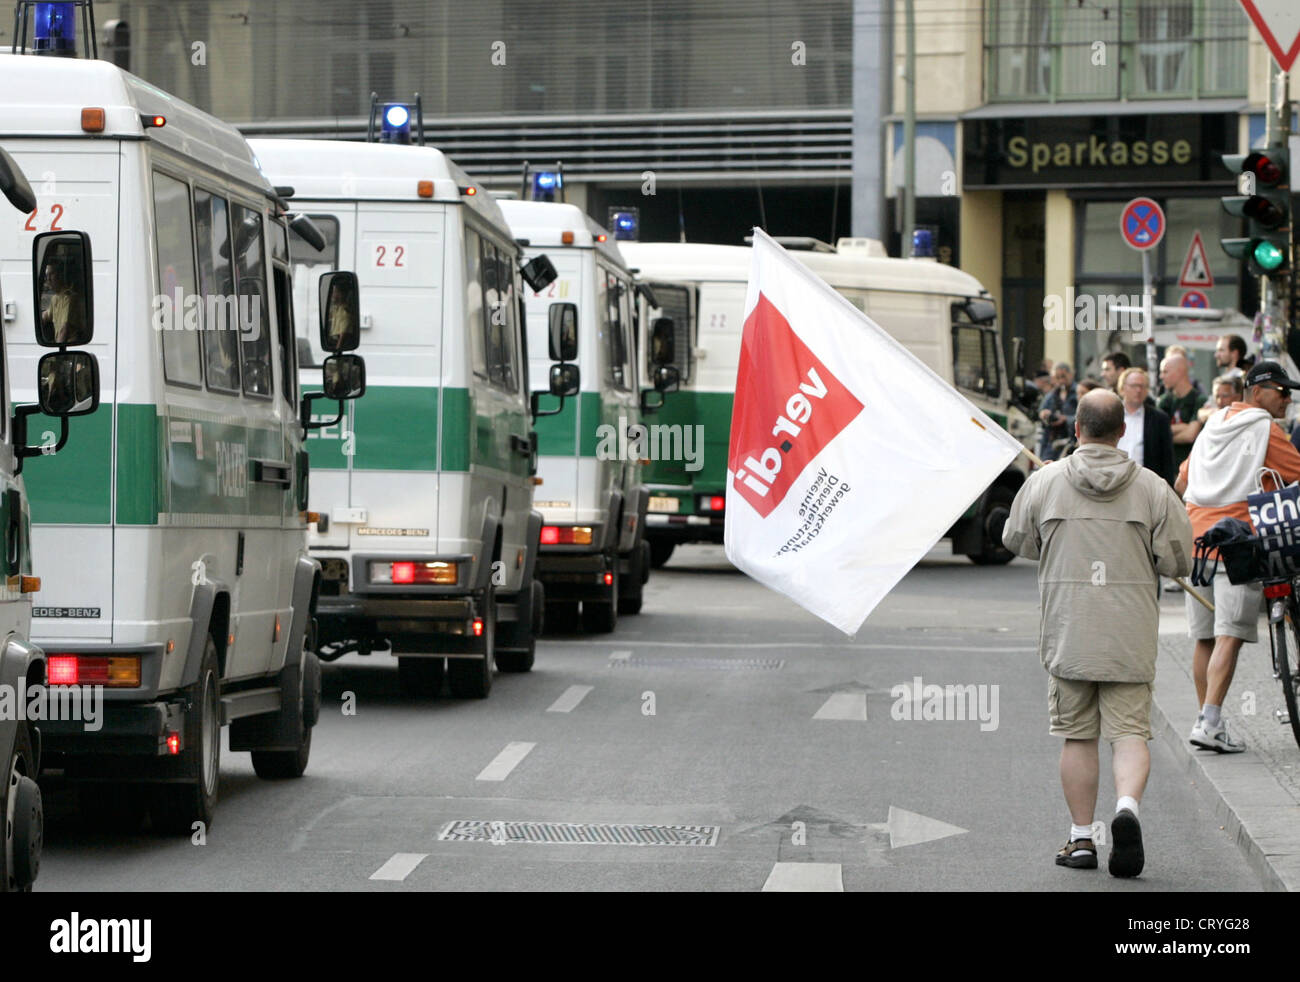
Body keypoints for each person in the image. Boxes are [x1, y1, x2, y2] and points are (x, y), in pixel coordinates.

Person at [1004, 389, 1193, 878]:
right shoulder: (1152, 489)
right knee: (1130, 733)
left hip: (1070, 633)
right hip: (1129, 634)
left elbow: (1016, 541)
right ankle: (1126, 807)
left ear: (1076, 428)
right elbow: (1178, 560)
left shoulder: (1046, 482)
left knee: (1077, 736)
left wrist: (1047, 495)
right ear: (1121, 431)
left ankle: (1081, 837)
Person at [1176, 361, 1300, 753]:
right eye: (1282, 391)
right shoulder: (1266, 428)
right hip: (1238, 541)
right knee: (1229, 634)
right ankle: (1209, 720)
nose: (1288, 399)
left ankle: (1206, 720)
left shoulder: (1212, 423)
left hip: (1196, 540)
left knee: (1204, 637)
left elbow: (1182, 480)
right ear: (1260, 391)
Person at [1116, 367, 1175, 486]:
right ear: (1122, 388)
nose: (1138, 390)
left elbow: (1167, 459)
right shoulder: (1112, 415)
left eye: (1143, 386)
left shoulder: (1159, 419)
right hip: (1115, 481)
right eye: (1134, 386)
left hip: (1145, 485)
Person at [1157, 353, 1206, 470]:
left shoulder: (1199, 400)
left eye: (1165, 371)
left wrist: (1166, 437)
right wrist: (1184, 427)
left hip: (1192, 468)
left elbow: (1190, 435)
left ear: (1179, 372)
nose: (1161, 376)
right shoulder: (1165, 401)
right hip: (1168, 468)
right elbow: (1157, 433)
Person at [1038, 362, 1077, 461]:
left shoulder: (1078, 392)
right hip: (1051, 441)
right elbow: (1041, 412)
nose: (1061, 380)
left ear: (1071, 375)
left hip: (1071, 441)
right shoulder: (1052, 395)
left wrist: (1066, 419)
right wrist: (1044, 415)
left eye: (1063, 376)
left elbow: (1085, 416)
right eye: (1057, 377)